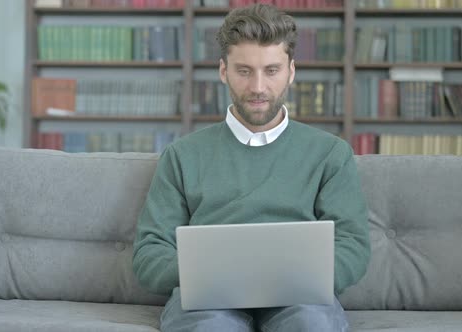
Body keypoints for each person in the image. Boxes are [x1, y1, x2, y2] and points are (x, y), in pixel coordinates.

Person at [132, 3, 370, 331]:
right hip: (208, 300)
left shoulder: (331, 154)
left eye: (271, 70)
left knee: (311, 324)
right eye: (244, 71)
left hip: (300, 298)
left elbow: (353, 245)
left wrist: (296, 275)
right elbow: (149, 254)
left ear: (291, 71)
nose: (258, 87)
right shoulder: (182, 156)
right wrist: (208, 271)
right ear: (223, 71)